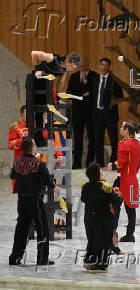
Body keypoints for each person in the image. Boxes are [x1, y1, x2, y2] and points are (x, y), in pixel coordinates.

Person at [9, 137, 60, 266]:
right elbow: (49, 182)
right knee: (42, 230)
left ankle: (15, 258)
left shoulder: (17, 162)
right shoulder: (39, 164)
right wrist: (54, 186)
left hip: (22, 200)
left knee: (21, 230)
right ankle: (42, 259)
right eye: (35, 144)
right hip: (35, 201)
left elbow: (13, 176)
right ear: (32, 148)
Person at [81, 163, 122, 272]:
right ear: (98, 174)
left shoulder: (85, 186)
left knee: (92, 240)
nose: (102, 172)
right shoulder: (106, 187)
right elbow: (116, 201)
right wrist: (118, 193)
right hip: (103, 219)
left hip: (89, 219)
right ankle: (99, 265)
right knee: (103, 241)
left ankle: (89, 260)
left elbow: (84, 199)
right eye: (100, 171)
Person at [108, 121, 140, 242]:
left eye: (122, 128)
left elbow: (120, 163)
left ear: (127, 131)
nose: (120, 130)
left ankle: (111, 232)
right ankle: (130, 234)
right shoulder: (138, 144)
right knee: (131, 209)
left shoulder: (123, 143)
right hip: (133, 179)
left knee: (114, 207)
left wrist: (112, 165)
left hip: (122, 180)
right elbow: (138, 164)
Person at [66, 58, 98, 169]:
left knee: (92, 137)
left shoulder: (94, 76)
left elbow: (95, 92)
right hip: (77, 112)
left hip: (90, 112)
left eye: (85, 64)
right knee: (78, 138)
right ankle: (77, 162)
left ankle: (90, 162)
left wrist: (85, 82)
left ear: (89, 64)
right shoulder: (74, 76)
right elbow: (68, 93)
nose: (83, 66)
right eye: (81, 65)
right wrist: (82, 95)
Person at [93, 58, 123, 167]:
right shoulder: (96, 79)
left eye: (106, 65)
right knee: (98, 138)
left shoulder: (114, 80)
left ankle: (113, 161)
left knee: (113, 139)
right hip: (98, 113)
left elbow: (120, 96)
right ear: (99, 66)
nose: (104, 67)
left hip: (110, 114)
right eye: (102, 64)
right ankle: (99, 162)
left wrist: (111, 102)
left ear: (109, 67)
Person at [8, 105, 29, 193]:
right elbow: (11, 145)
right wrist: (24, 139)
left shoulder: (38, 126)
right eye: (26, 113)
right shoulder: (16, 127)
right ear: (21, 114)